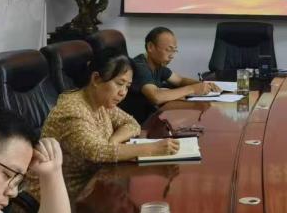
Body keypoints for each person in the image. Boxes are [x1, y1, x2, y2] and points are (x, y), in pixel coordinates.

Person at [31, 48, 179, 199]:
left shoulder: (101, 102)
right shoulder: (72, 110)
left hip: (91, 186)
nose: (123, 92)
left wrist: (113, 141)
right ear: (96, 79)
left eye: (127, 86)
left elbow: (132, 124)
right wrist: (153, 148)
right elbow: (97, 152)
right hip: (55, 197)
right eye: (119, 83)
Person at [132, 27, 220, 109]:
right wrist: (193, 89)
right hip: (138, 119)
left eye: (174, 51)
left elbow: (180, 80)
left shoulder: (158, 64)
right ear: (150, 47)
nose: (172, 56)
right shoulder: (139, 66)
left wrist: (204, 85)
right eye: (168, 50)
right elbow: (156, 96)